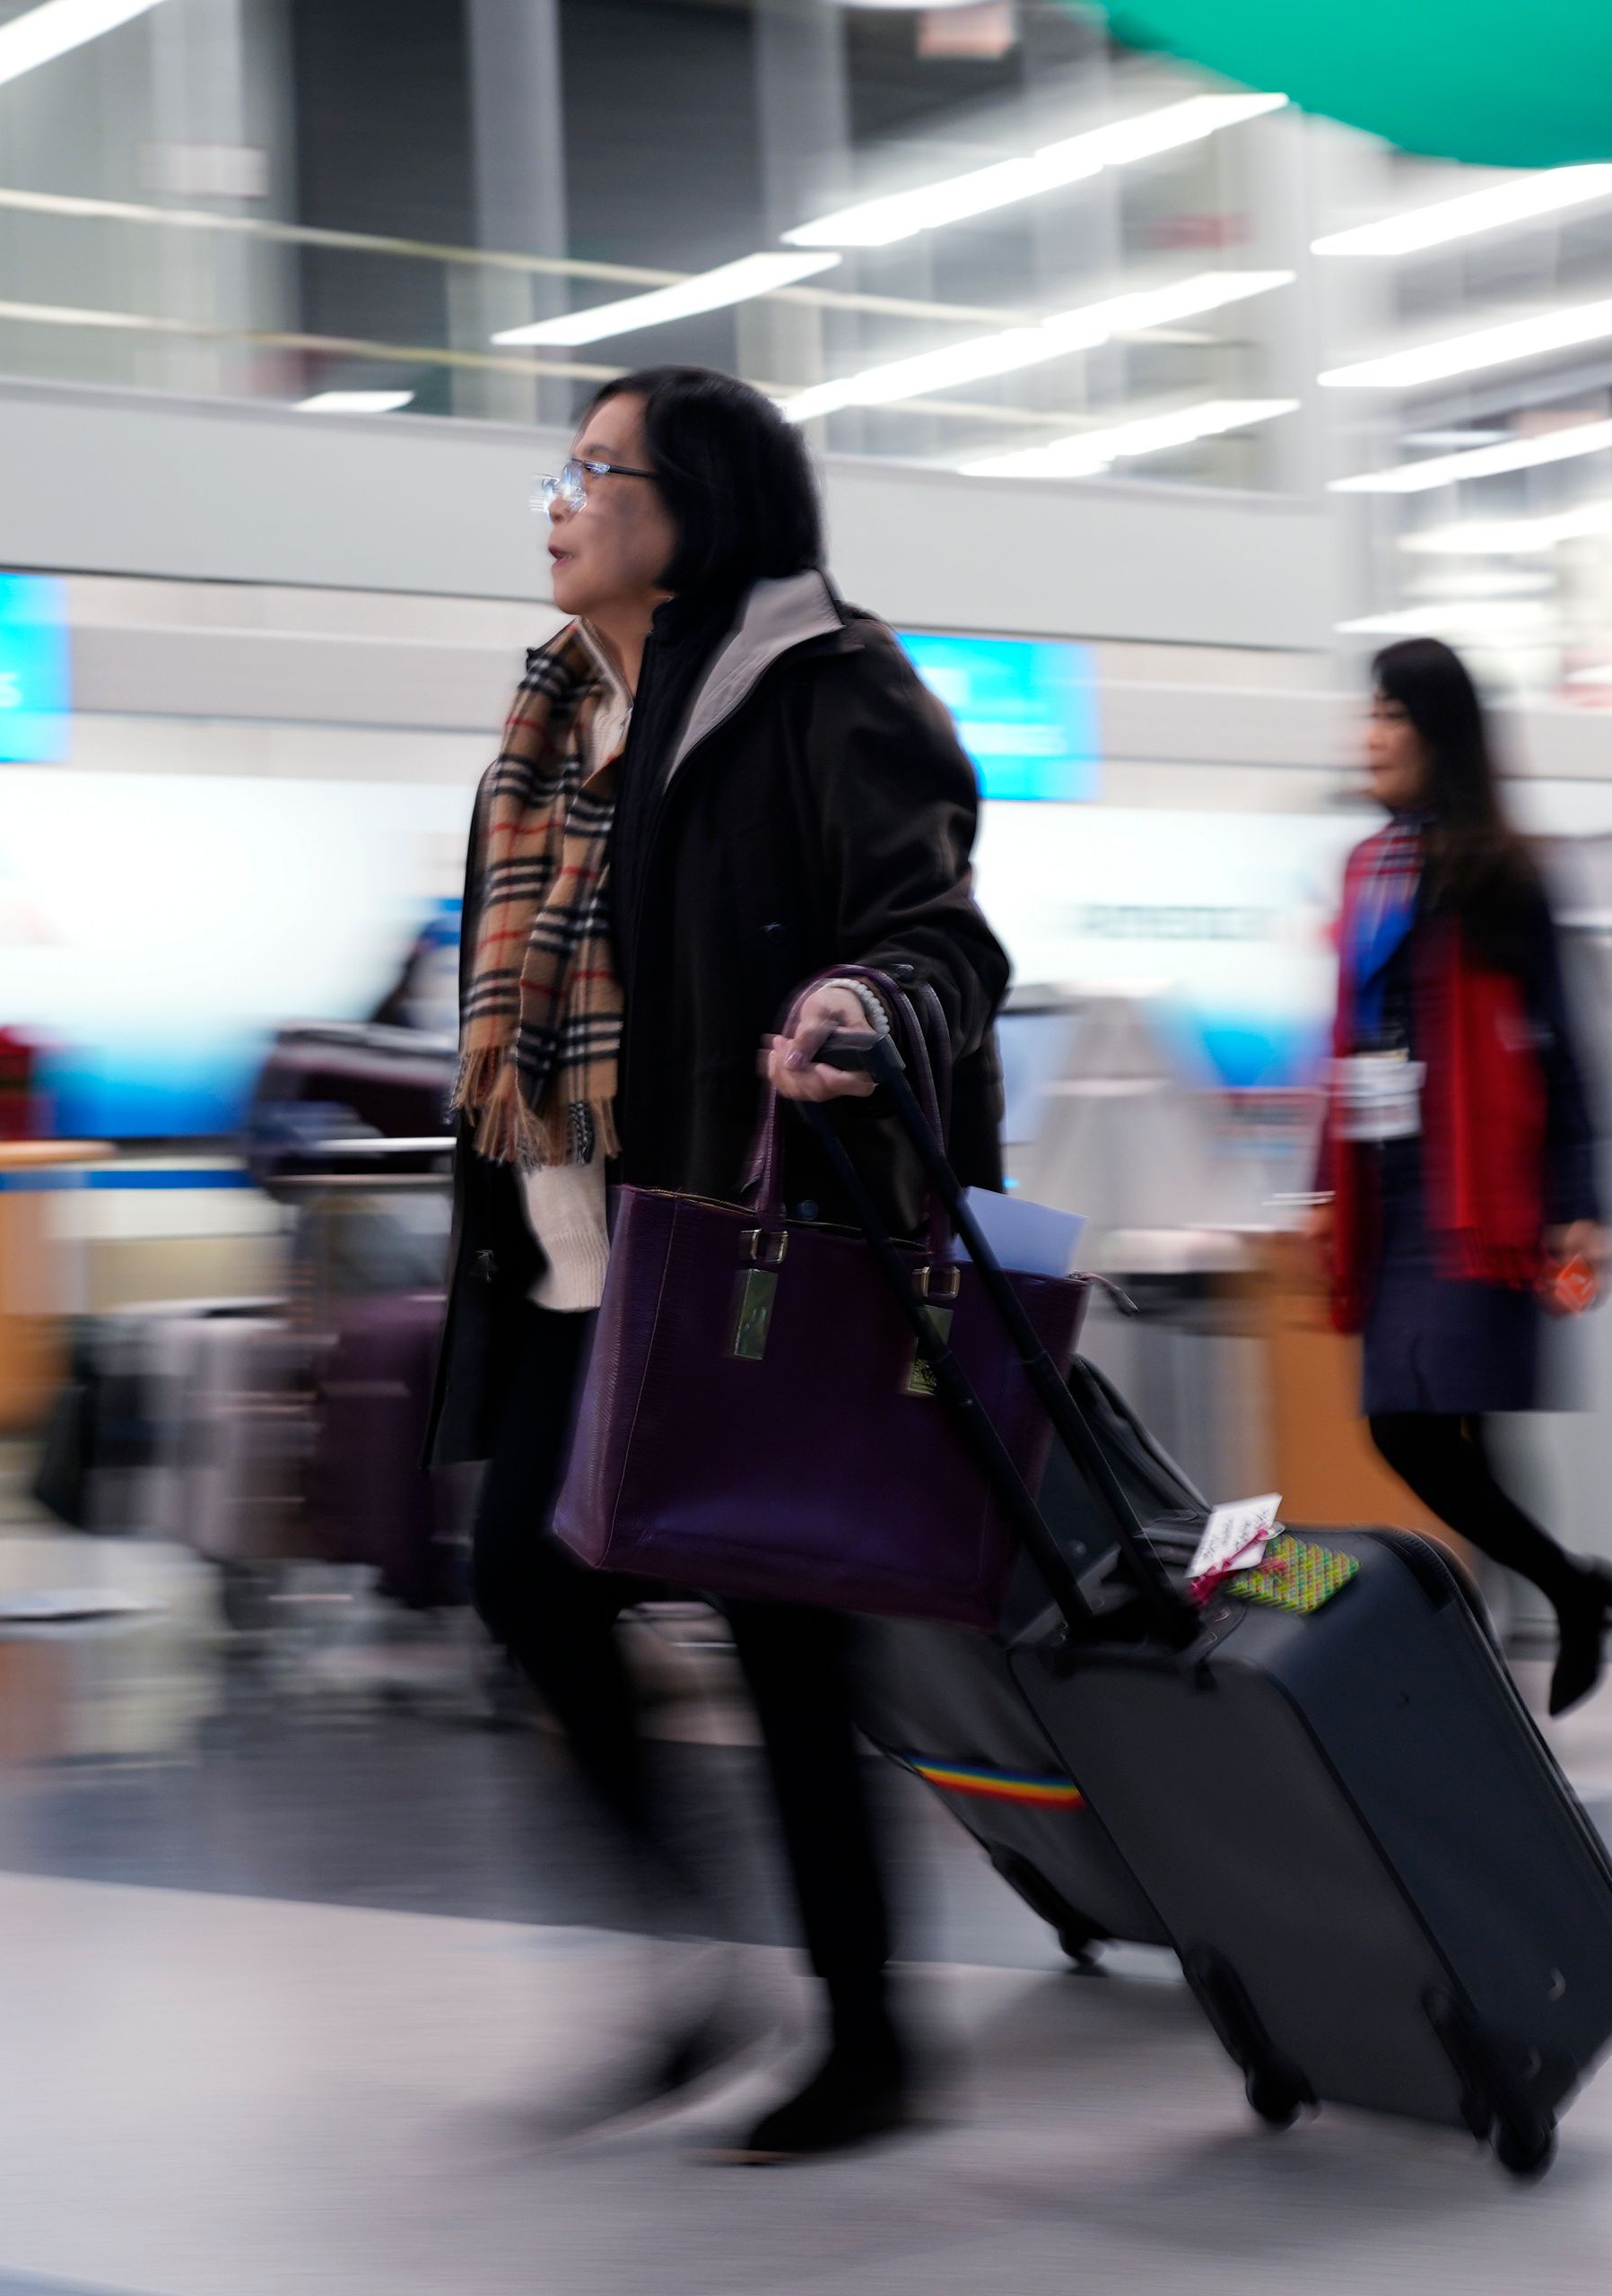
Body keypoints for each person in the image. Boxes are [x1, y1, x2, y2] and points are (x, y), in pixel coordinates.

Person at [428, 365, 1010, 2161]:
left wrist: (852, 1003)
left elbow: (942, 934)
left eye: (604, 472)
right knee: (526, 1584)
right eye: (566, 468)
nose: (564, 499)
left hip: (736, 1234)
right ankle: (697, 1954)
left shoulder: (826, 692)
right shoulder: (548, 724)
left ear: (708, 506)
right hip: (569, 1243)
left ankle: (870, 2028)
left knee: (783, 1640)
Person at [1315, 636, 1612, 1718]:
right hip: (1387, 1183)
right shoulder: (1366, 868)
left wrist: (1588, 1199)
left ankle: (1549, 1600)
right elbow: (1348, 1029)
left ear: (1439, 734)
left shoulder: (1509, 867)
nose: (1371, 737)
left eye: (1391, 718)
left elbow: (1564, 1039)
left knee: (1425, 1424)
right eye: (1370, 716)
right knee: (1448, 1426)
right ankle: (1561, 1596)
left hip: (1482, 1192)